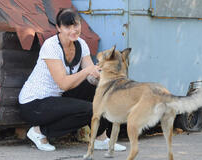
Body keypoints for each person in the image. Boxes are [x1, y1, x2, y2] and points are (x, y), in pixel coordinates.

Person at [18, 8, 126, 152]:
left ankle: (100, 138)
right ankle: (39, 132)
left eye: (76, 25)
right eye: (67, 27)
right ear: (58, 28)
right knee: (89, 110)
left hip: (58, 97)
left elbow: (91, 74)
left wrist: (109, 78)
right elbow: (64, 83)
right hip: (34, 104)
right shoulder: (51, 47)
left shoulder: (81, 44)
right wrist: (88, 70)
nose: (73, 30)